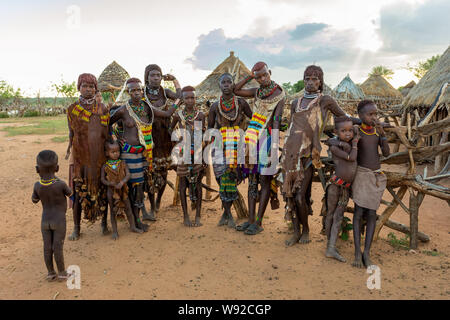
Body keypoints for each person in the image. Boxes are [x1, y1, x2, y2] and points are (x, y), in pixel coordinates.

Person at [282, 65, 361, 246]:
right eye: (307, 79)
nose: (310, 82)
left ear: (321, 81)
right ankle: (296, 232)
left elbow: (344, 118)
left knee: (300, 195)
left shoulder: (325, 101)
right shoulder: (296, 102)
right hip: (290, 154)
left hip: (309, 155)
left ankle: (306, 230)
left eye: (314, 79)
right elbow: (293, 127)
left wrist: (366, 122)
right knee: (289, 196)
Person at [110, 78, 179, 229]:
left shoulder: (146, 108)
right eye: (133, 90)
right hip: (129, 154)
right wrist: (116, 138)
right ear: (128, 92)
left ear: (142, 91)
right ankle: (135, 222)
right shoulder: (123, 110)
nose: (136, 92)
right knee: (134, 187)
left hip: (145, 153)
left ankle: (139, 217)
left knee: (141, 186)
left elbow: (167, 114)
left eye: (139, 90)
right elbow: (107, 123)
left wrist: (177, 101)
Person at [233, 62, 285, 235]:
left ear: (269, 72)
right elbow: (235, 90)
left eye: (265, 75)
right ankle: (250, 220)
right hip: (251, 139)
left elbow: (276, 121)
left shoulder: (280, 94)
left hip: (267, 139)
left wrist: (275, 146)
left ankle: (259, 222)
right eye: (259, 77)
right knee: (252, 181)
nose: (262, 79)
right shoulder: (256, 91)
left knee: (264, 180)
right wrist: (249, 76)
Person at [66, 73, 110, 241]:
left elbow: (108, 135)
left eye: (91, 86)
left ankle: (104, 225)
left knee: (103, 191)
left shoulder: (103, 109)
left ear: (95, 89)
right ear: (79, 87)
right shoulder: (72, 109)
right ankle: (76, 229)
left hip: (99, 159)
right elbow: (71, 133)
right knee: (78, 194)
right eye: (85, 86)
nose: (88, 89)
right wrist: (71, 150)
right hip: (80, 159)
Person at [207, 73, 253, 228]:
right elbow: (210, 128)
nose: (226, 85)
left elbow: (253, 120)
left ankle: (227, 214)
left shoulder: (242, 103)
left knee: (232, 177)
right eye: (223, 82)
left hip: (238, 145)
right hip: (220, 147)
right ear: (219, 86)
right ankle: (227, 213)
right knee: (221, 179)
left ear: (233, 85)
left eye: (229, 82)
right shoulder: (214, 106)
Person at [351, 100, 390, 268]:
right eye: (370, 114)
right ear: (360, 116)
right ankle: (356, 252)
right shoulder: (356, 131)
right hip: (361, 175)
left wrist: (382, 135)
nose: (374, 117)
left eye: (376, 114)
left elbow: (386, 154)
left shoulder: (376, 133)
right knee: (358, 212)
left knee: (372, 213)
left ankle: (366, 252)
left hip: (375, 176)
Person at [144, 64, 181, 217]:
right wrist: (176, 104)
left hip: (165, 139)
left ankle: (158, 201)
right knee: (150, 173)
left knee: (164, 173)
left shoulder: (165, 93)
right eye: (152, 75)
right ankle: (152, 205)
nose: (156, 78)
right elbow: (170, 110)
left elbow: (182, 95)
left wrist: (175, 80)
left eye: (158, 75)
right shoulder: (142, 94)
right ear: (147, 77)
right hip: (149, 138)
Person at [324, 117, 360, 262]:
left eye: (350, 131)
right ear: (335, 132)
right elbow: (351, 158)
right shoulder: (335, 147)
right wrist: (355, 143)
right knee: (330, 214)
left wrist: (354, 134)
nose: (348, 134)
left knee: (338, 217)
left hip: (345, 187)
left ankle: (331, 246)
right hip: (335, 185)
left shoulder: (347, 143)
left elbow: (359, 125)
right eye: (343, 131)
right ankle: (329, 245)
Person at [32, 150, 72, 281]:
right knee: (57, 247)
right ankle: (61, 273)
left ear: (37, 169)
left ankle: (50, 273)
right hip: (59, 221)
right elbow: (70, 194)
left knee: (47, 247)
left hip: (45, 221)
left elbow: (34, 200)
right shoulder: (60, 184)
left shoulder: (37, 185)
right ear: (57, 168)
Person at [171, 86, 206, 227]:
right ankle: (185, 216)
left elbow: (201, 135)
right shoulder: (178, 115)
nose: (190, 100)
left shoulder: (201, 115)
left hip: (197, 153)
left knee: (197, 184)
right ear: (183, 100)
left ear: (195, 99)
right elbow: (170, 130)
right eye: (187, 98)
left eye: (192, 97)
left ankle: (197, 215)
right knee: (183, 184)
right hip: (182, 154)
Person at [100, 140, 144, 240]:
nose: (116, 154)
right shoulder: (105, 166)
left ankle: (132, 226)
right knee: (113, 211)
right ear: (107, 153)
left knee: (128, 208)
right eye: (113, 152)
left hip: (123, 190)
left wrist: (122, 182)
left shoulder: (122, 163)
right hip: (111, 192)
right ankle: (115, 231)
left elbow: (128, 174)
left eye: (118, 151)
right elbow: (102, 179)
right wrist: (109, 183)